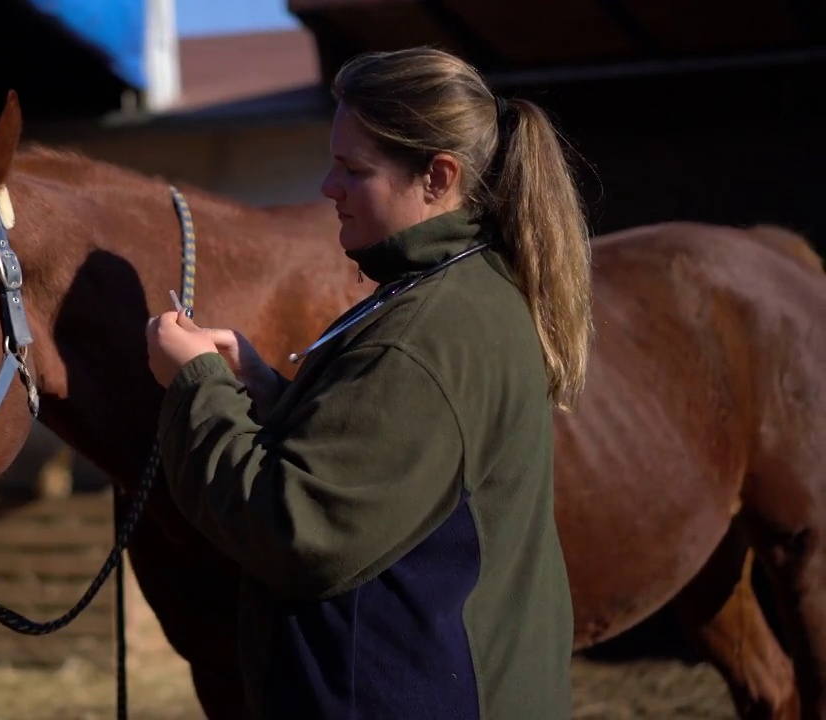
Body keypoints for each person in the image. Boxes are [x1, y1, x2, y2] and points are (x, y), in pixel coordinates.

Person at [145, 46, 593, 719]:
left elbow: (297, 530)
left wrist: (196, 385)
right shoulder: (453, 289)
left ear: (438, 177)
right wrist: (267, 390)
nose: (329, 187)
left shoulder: (427, 334)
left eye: (354, 169)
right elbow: (381, 474)